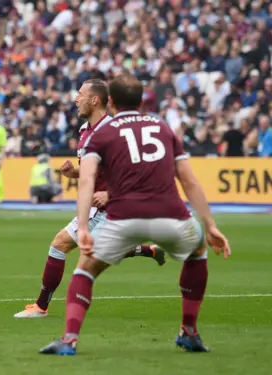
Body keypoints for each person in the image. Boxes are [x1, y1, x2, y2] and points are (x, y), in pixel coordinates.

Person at [39, 74, 231, 355]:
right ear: (141, 101)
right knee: (198, 250)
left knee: (85, 270)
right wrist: (210, 224)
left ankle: (69, 339)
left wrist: (82, 225)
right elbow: (189, 181)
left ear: (111, 101)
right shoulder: (164, 128)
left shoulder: (101, 133)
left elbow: (87, 180)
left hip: (122, 218)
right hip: (171, 216)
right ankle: (189, 331)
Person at [14, 79, 166, 319]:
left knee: (66, 247)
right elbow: (92, 172)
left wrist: (109, 193)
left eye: (80, 94)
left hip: (114, 208)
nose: (76, 98)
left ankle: (47, 313)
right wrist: (73, 172)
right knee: (78, 246)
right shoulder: (85, 131)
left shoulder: (116, 132)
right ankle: (150, 251)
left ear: (95, 100)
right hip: (98, 209)